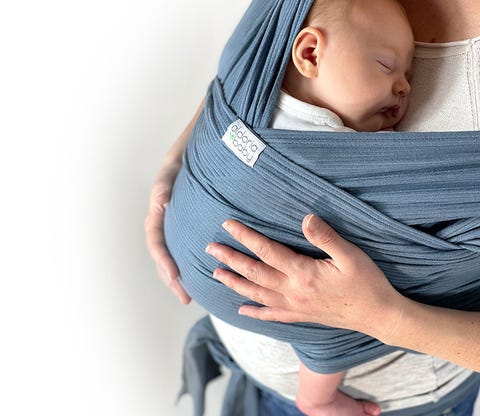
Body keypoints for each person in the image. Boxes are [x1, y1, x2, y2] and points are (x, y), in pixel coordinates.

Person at [146, 0, 480, 415]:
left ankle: (317, 395)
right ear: (308, 52)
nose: (405, 88)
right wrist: (184, 161)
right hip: (246, 374)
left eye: (408, 77)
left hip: (384, 403)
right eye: (387, 66)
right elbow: (237, 82)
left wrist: (383, 318)